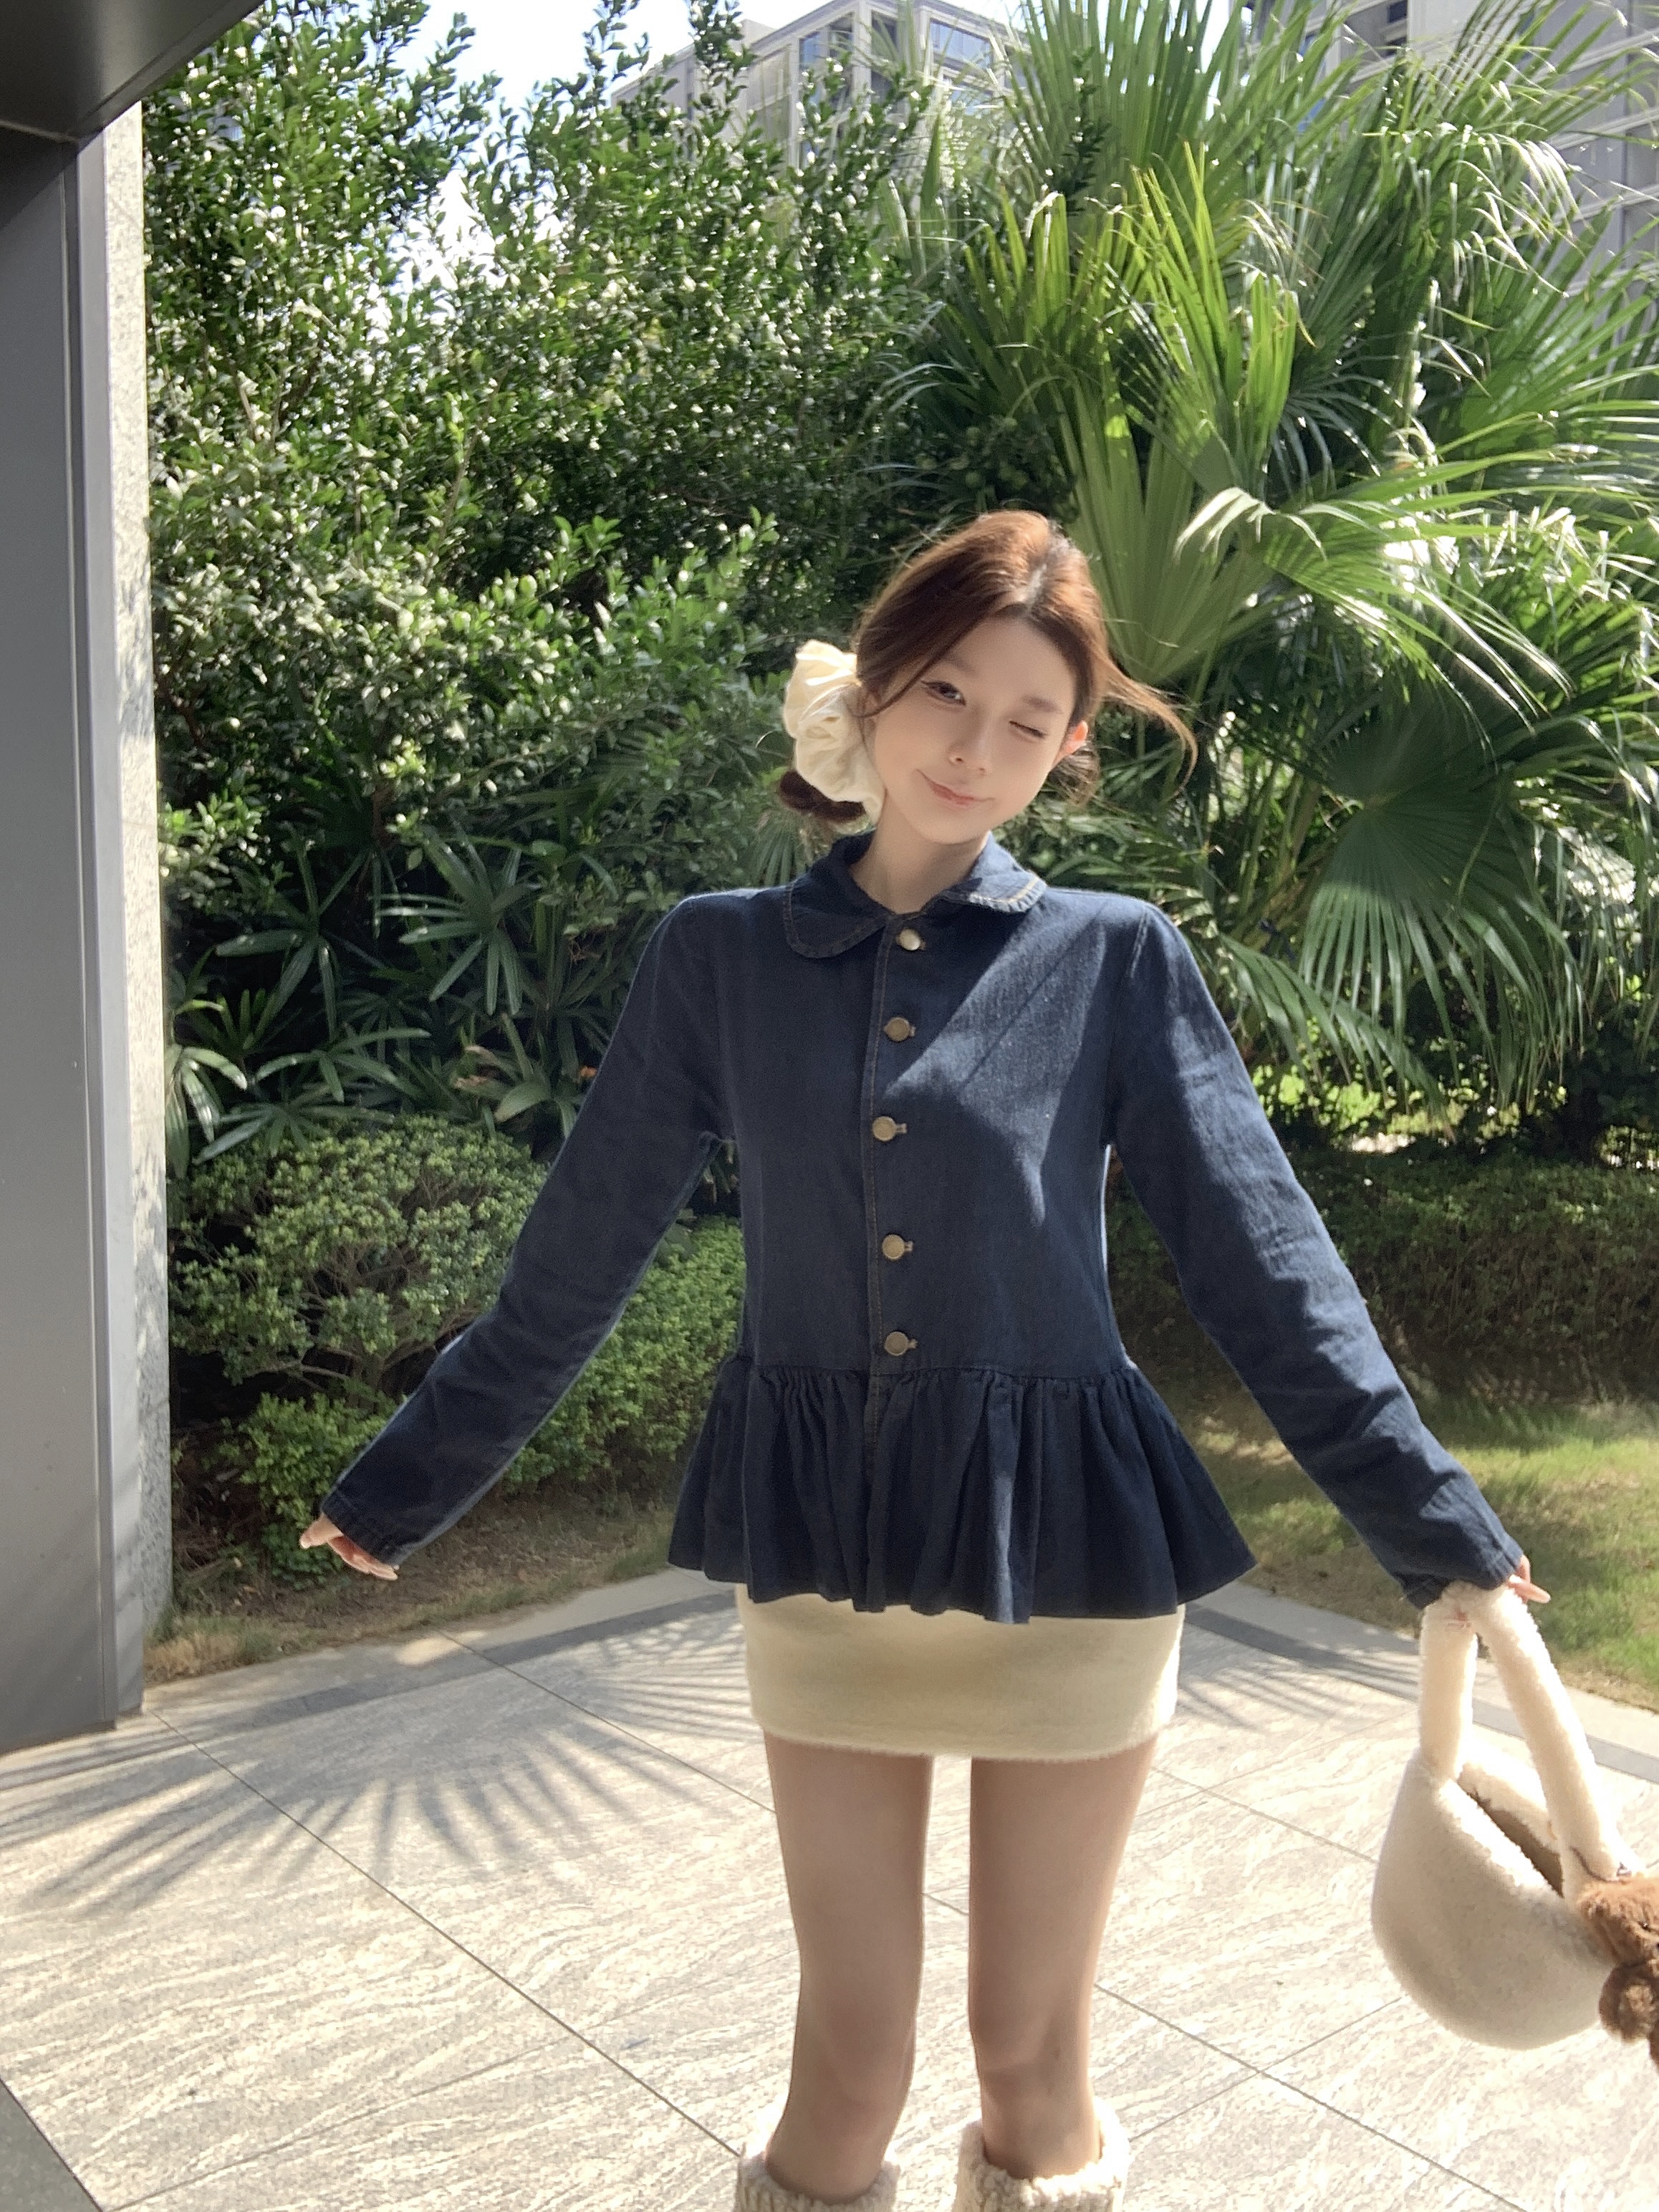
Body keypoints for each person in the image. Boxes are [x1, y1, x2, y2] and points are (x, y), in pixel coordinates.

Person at [301, 511, 1548, 2212]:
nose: (975, 746)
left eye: (1028, 721)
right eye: (949, 691)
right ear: (877, 685)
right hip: (825, 1544)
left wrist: (1434, 1522)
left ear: (1069, 750)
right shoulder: (715, 956)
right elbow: (578, 1256)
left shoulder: (1115, 958)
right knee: (849, 2059)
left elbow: (1264, 1257)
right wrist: (408, 1481)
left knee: (1031, 2061)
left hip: (1072, 1552)